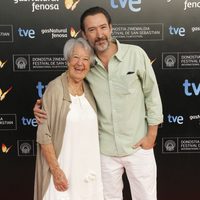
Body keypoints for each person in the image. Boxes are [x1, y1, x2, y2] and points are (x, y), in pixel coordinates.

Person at [34, 7, 163, 200]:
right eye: (92, 30)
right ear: (84, 34)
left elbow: (152, 95)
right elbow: (65, 85)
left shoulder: (135, 55)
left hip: (138, 147)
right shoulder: (86, 65)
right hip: (104, 153)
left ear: (111, 28)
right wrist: (42, 105)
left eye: (103, 27)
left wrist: (151, 135)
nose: (99, 34)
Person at [34, 37, 104, 200]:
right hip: (64, 171)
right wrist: (56, 171)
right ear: (67, 61)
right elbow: (44, 134)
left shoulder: (90, 89)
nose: (80, 63)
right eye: (76, 58)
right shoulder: (55, 89)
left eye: (85, 59)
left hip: (88, 171)